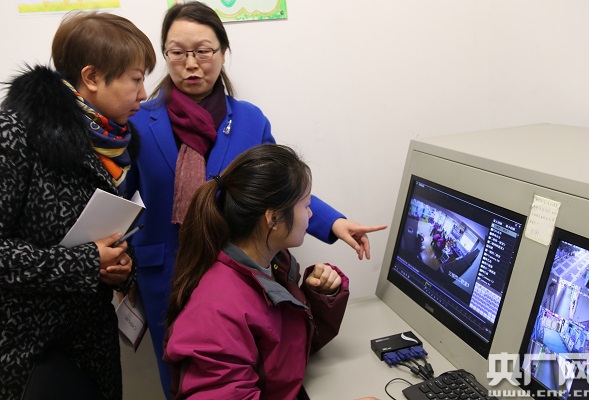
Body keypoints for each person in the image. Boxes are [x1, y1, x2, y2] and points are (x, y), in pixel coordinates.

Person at [127, 1, 387, 394]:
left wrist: (334, 222)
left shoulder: (249, 119)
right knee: (179, 374)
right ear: (165, 54)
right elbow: (117, 198)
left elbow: (280, 186)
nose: (191, 64)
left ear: (223, 52)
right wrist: (109, 255)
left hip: (237, 268)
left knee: (256, 370)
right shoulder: (138, 121)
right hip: (166, 269)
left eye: (203, 51)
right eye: (177, 53)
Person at [0, 11, 156, 400]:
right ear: (92, 77)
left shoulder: (113, 144)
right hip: (29, 354)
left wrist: (120, 266)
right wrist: (88, 262)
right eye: (136, 79)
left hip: (92, 349)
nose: (144, 94)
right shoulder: (14, 133)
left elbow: (103, 235)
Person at [164, 143, 361, 399]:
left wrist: (321, 295)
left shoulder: (274, 265)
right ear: (273, 219)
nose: (311, 214)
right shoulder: (217, 311)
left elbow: (286, 348)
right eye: (306, 205)